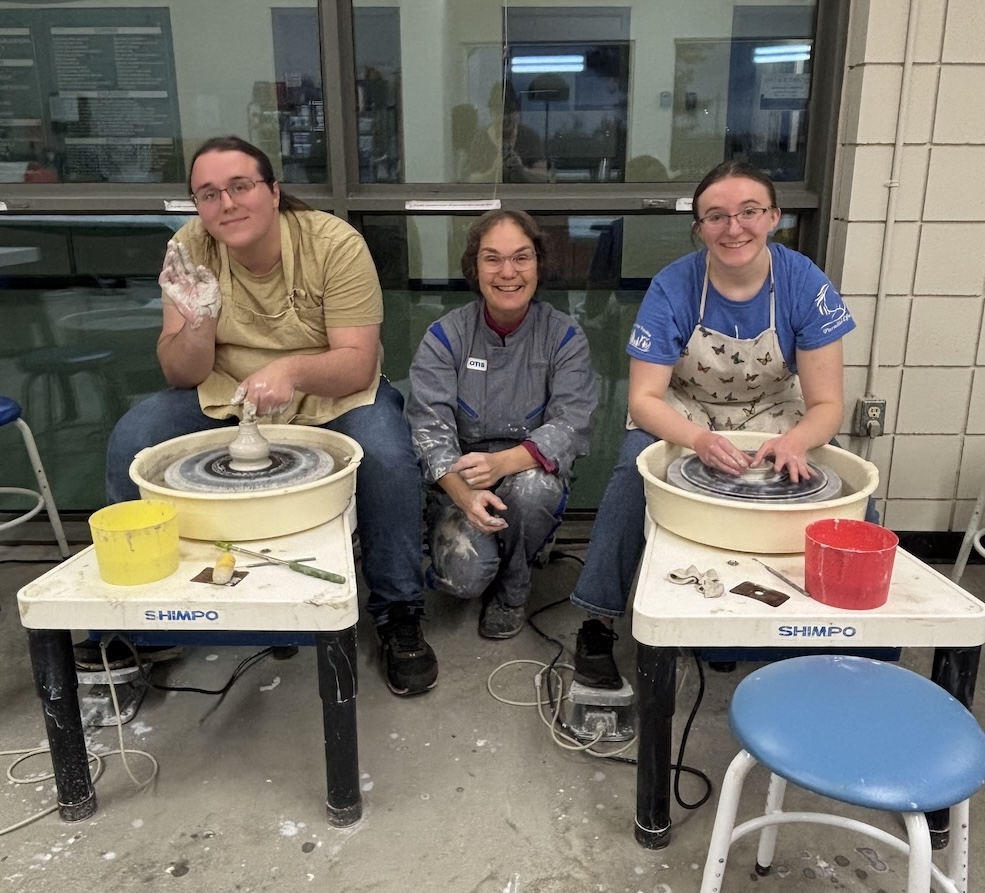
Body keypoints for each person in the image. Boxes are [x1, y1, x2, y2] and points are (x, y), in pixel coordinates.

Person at [103, 135, 437, 697]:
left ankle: (397, 610)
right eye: (208, 194)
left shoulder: (333, 244)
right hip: (226, 393)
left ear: (274, 191)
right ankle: (135, 622)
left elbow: (357, 366)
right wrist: (199, 323)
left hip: (330, 390)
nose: (226, 204)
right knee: (134, 439)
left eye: (240, 187)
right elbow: (181, 374)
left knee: (387, 458)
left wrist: (292, 372)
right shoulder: (189, 249)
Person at [570, 160, 856, 688]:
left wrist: (794, 443)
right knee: (634, 475)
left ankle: (839, 633)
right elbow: (645, 399)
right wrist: (698, 439)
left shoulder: (805, 285)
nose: (734, 228)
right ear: (699, 228)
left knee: (844, 499)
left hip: (777, 412)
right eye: (716, 216)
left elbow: (828, 405)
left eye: (749, 212)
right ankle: (597, 619)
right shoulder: (672, 286)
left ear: (773, 216)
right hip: (688, 412)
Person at [405, 210, 598, 637]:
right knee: (463, 579)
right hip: (459, 484)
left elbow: (572, 422)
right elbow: (428, 429)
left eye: (521, 258)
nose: (507, 272)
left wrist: (504, 464)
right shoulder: (445, 337)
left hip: (527, 476)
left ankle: (514, 588)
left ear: (538, 265)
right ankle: (493, 552)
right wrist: (464, 494)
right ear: (474, 268)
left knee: (532, 492)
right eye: (492, 259)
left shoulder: (564, 336)